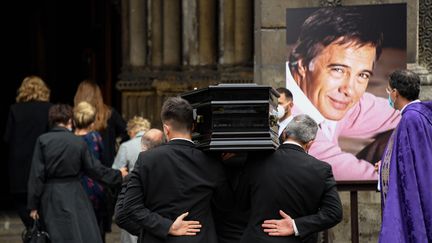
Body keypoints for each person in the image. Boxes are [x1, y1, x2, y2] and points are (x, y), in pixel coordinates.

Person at [286, 7, 400, 180]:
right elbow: (360, 177)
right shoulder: (287, 117)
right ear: (302, 65)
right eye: (338, 70)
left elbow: (405, 112)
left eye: (362, 75)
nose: (349, 90)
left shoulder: (326, 96)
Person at [116, 97, 232, 243]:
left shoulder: (147, 159)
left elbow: (131, 207)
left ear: (166, 129)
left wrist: (167, 226)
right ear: (193, 127)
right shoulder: (212, 162)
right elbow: (226, 206)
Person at [27, 104, 128, 243]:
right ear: (70, 121)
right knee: (78, 234)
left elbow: (37, 175)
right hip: (75, 193)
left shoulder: (43, 140)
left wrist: (33, 205)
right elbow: (94, 169)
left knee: (55, 234)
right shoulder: (77, 142)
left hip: (50, 195)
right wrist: (117, 175)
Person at [237, 114, 343, 243]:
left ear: (284, 134)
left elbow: (241, 200)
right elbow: (333, 213)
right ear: (310, 143)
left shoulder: (256, 161)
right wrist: (295, 225)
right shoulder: (321, 169)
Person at [379, 70, 432, 242]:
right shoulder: (419, 115)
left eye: (389, 90)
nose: (388, 95)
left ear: (395, 93)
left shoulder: (411, 119)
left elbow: (413, 167)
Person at [4, 75, 53, 229]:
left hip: (20, 165)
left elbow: (7, 138)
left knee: (22, 202)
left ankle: (33, 232)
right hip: (41, 164)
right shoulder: (49, 109)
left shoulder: (15, 109)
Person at [113, 126, 164, 243]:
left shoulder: (134, 172)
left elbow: (120, 217)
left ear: (143, 148)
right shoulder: (172, 167)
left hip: (142, 228)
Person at [73, 101, 111, 242]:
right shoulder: (95, 137)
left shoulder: (70, 138)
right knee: (96, 226)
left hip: (76, 186)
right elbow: (104, 161)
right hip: (95, 186)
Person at [74, 80, 127, 167]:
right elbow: (127, 132)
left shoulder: (74, 115)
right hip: (106, 165)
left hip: (80, 165)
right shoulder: (110, 113)